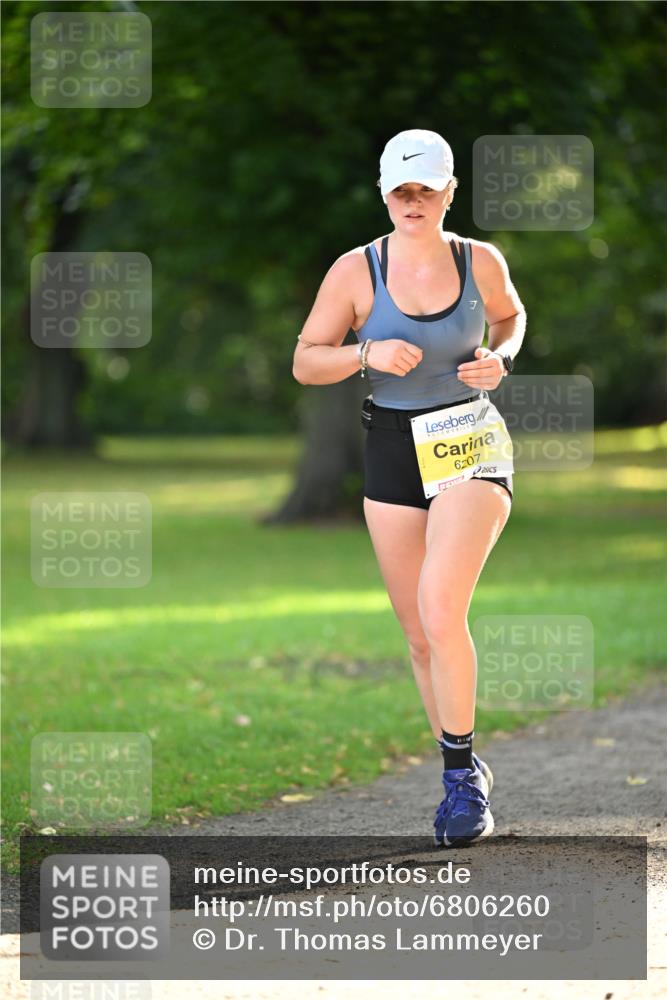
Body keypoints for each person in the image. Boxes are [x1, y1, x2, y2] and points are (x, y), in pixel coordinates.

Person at [292, 128, 526, 847]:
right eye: (401, 188)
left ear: (450, 191)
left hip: (467, 443)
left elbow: (510, 318)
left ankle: (460, 788)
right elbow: (305, 360)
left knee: (438, 603)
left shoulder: (478, 260)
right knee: (418, 636)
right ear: (384, 194)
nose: (413, 199)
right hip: (390, 450)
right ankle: (463, 764)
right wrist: (364, 351)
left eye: (426, 187)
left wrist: (500, 358)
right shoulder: (354, 271)